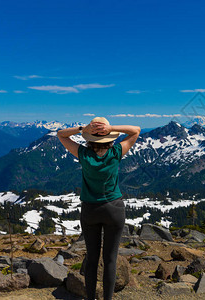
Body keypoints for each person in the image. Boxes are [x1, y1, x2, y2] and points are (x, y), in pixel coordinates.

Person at [57, 117, 140, 300]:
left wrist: (81, 128)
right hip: (114, 209)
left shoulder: (84, 154)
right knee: (110, 259)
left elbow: (61, 135)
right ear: (109, 137)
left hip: (90, 210)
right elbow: (136, 130)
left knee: (92, 259)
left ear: (90, 138)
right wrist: (111, 127)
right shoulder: (116, 152)